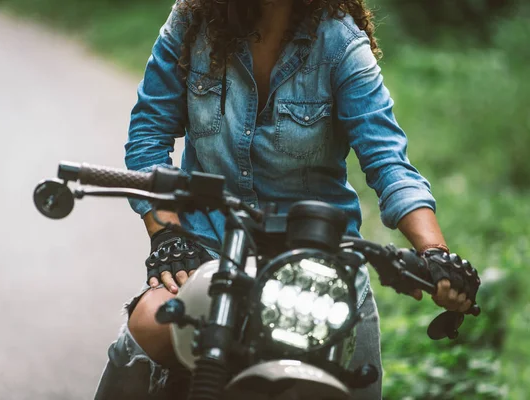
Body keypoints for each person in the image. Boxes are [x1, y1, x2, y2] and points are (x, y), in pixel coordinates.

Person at [94, 1, 479, 399]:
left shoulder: (340, 42)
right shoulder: (193, 22)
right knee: (147, 324)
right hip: (210, 253)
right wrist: (168, 234)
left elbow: (388, 161)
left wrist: (435, 254)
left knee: (353, 387)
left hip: (317, 264)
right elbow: (148, 138)